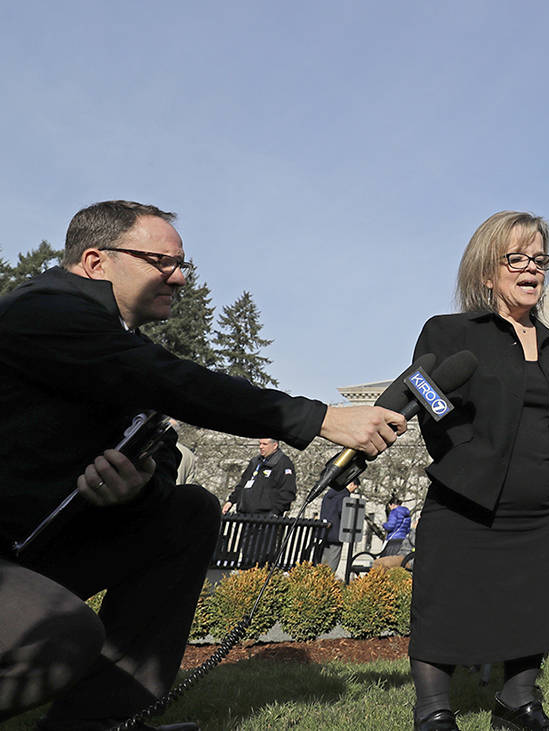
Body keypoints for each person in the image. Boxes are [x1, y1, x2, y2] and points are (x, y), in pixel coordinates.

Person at [0, 200, 405, 730]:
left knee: (187, 511)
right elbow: (174, 382)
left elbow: (160, 443)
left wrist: (139, 483)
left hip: (34, 545)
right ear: (97, 262)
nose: (181, 277)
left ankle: (104, 719)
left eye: (181, 263)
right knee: (63, 634)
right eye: (162, 262)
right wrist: (320, 417)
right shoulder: (44, 309)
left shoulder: (115, 343)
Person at [407, 211, 549, 731]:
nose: (531, 270)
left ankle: (517, 703)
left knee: (532, 604)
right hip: (467, 499)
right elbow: (424, 393)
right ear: (488, 271)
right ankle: (434, 710)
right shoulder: (452, 331)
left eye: (539, 260)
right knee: (446, 602)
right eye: (517, 259)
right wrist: (464, 455)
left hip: (539, 506)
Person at [223, 438, 297, 516]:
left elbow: (288, 491)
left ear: (275, 445)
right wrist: (230, 501)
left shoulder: (283, 463)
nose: (261, 447)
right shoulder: (255, 461)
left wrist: (275, 511)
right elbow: (242, 484)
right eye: (260, 444)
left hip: (267, 518)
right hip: (246, 515)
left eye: (265, 444)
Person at [320, 478, 361, 573]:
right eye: (355, 488)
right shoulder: (344, 495)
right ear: (351, 484)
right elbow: (343, 512)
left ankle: (318, 581)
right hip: (336, 533)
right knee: (333, 561)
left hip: (325, 531)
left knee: (323, 559)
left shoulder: (330, 494)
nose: (354, 490)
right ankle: (327, 582)